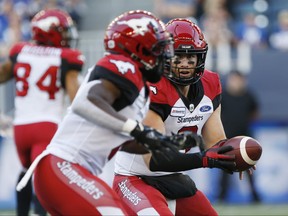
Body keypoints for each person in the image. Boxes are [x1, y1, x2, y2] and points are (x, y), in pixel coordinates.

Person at [16, 10, 178, 215]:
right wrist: (137, 129)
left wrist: (159, 141)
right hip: (64, 165)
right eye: (158, 49)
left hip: (64, 171)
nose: (165, 56)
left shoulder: (140, 88)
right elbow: (85, 104)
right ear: (138, 50)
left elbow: (118, 138)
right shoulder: (123, 66)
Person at [112, 18, 241, 216]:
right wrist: (204, 160)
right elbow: (156, 160)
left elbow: (215, 142)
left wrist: (237, 155)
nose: (185, 64)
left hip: (172, 178)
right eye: (178, 57)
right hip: (135, 177)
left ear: (201, 58)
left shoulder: (211, 83)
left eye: (191, 58)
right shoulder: (154, 88)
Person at [0, 8, 84, 216]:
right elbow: (78, 100)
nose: (67, 37)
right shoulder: (66, 57)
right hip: (46, 125)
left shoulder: (20, 51)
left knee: (25, 171)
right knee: (43, 178)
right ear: (52, 33)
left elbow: (3, 74)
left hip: (20, 128)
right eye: (63, 32)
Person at [219, 70, 261, 203]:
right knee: (224, 169)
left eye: (238, 80)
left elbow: (255, 112)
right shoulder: (223, 96)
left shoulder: (248, 95)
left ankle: (255, 196)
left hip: (245, 139)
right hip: (228, 138)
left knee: (249, 168)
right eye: (233, 79)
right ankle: (222, 196)